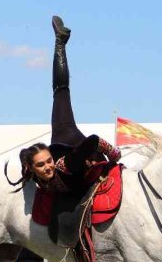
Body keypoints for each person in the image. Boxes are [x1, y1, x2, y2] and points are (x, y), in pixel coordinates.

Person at [9, 17, 121, 195]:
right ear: (30, 168)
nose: (47, 167)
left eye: (48, 161)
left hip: (70, 141)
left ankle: (60, 42)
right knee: (60, 92)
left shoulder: (64, 165)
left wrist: (114, 154)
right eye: (41, 165)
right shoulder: (34, 173)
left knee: (60, 91)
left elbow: (94, 140)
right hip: (68, 146)